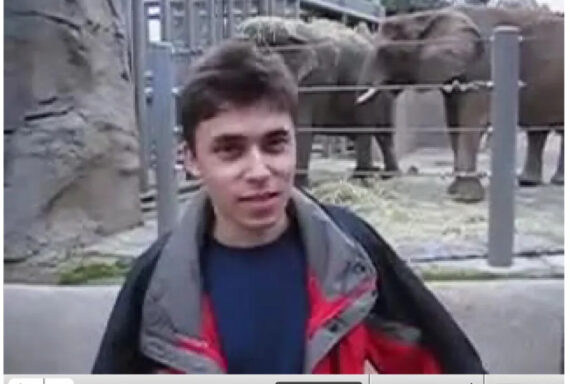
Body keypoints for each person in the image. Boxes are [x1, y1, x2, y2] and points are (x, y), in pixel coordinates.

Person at [92, 39, 484, 374]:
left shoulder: (350, 252)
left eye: (275, 144)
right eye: (230, 150)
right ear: (191, 159)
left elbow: (447, 363)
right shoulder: (155, 281)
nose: (259, 171)